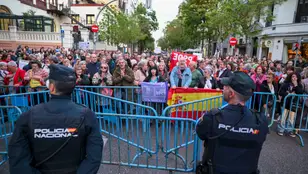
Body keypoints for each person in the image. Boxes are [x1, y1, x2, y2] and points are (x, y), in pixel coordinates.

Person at [8, 64, 103, 174]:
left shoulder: (29, 115)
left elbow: (17, 157)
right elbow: (94, 156)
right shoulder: (87, 115)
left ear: (51, 87)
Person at [196, 71, 269, 174]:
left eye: (226, 87)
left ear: (231, 94)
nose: (223, 88)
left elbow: (200, 133)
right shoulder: (260, 121)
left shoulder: (212, 117)